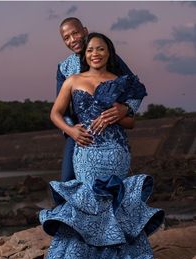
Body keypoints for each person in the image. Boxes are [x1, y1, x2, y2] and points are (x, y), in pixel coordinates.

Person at [27, 32, 164, 259]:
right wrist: (71, 131)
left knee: (114, 203)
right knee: (88, 203)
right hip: (87, 152)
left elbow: (131, 122)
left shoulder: (119, 82)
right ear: (85, 54)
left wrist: (118, 114)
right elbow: (55, 113)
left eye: (101, 49)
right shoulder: (73, 80)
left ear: (109, 53)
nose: (95, 54)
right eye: (90, 50)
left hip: (116, 151)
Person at [57, 17, 141, 182]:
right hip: (79, 132)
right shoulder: (64, 68)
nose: (72, 40)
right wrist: (72, 131)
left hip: (110, 136)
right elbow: (62, 111)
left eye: (75, 33)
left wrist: (126, 108)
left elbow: (135, 89)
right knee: (67, 181)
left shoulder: (110, 58)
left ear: (85, 31)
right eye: (66, 37)